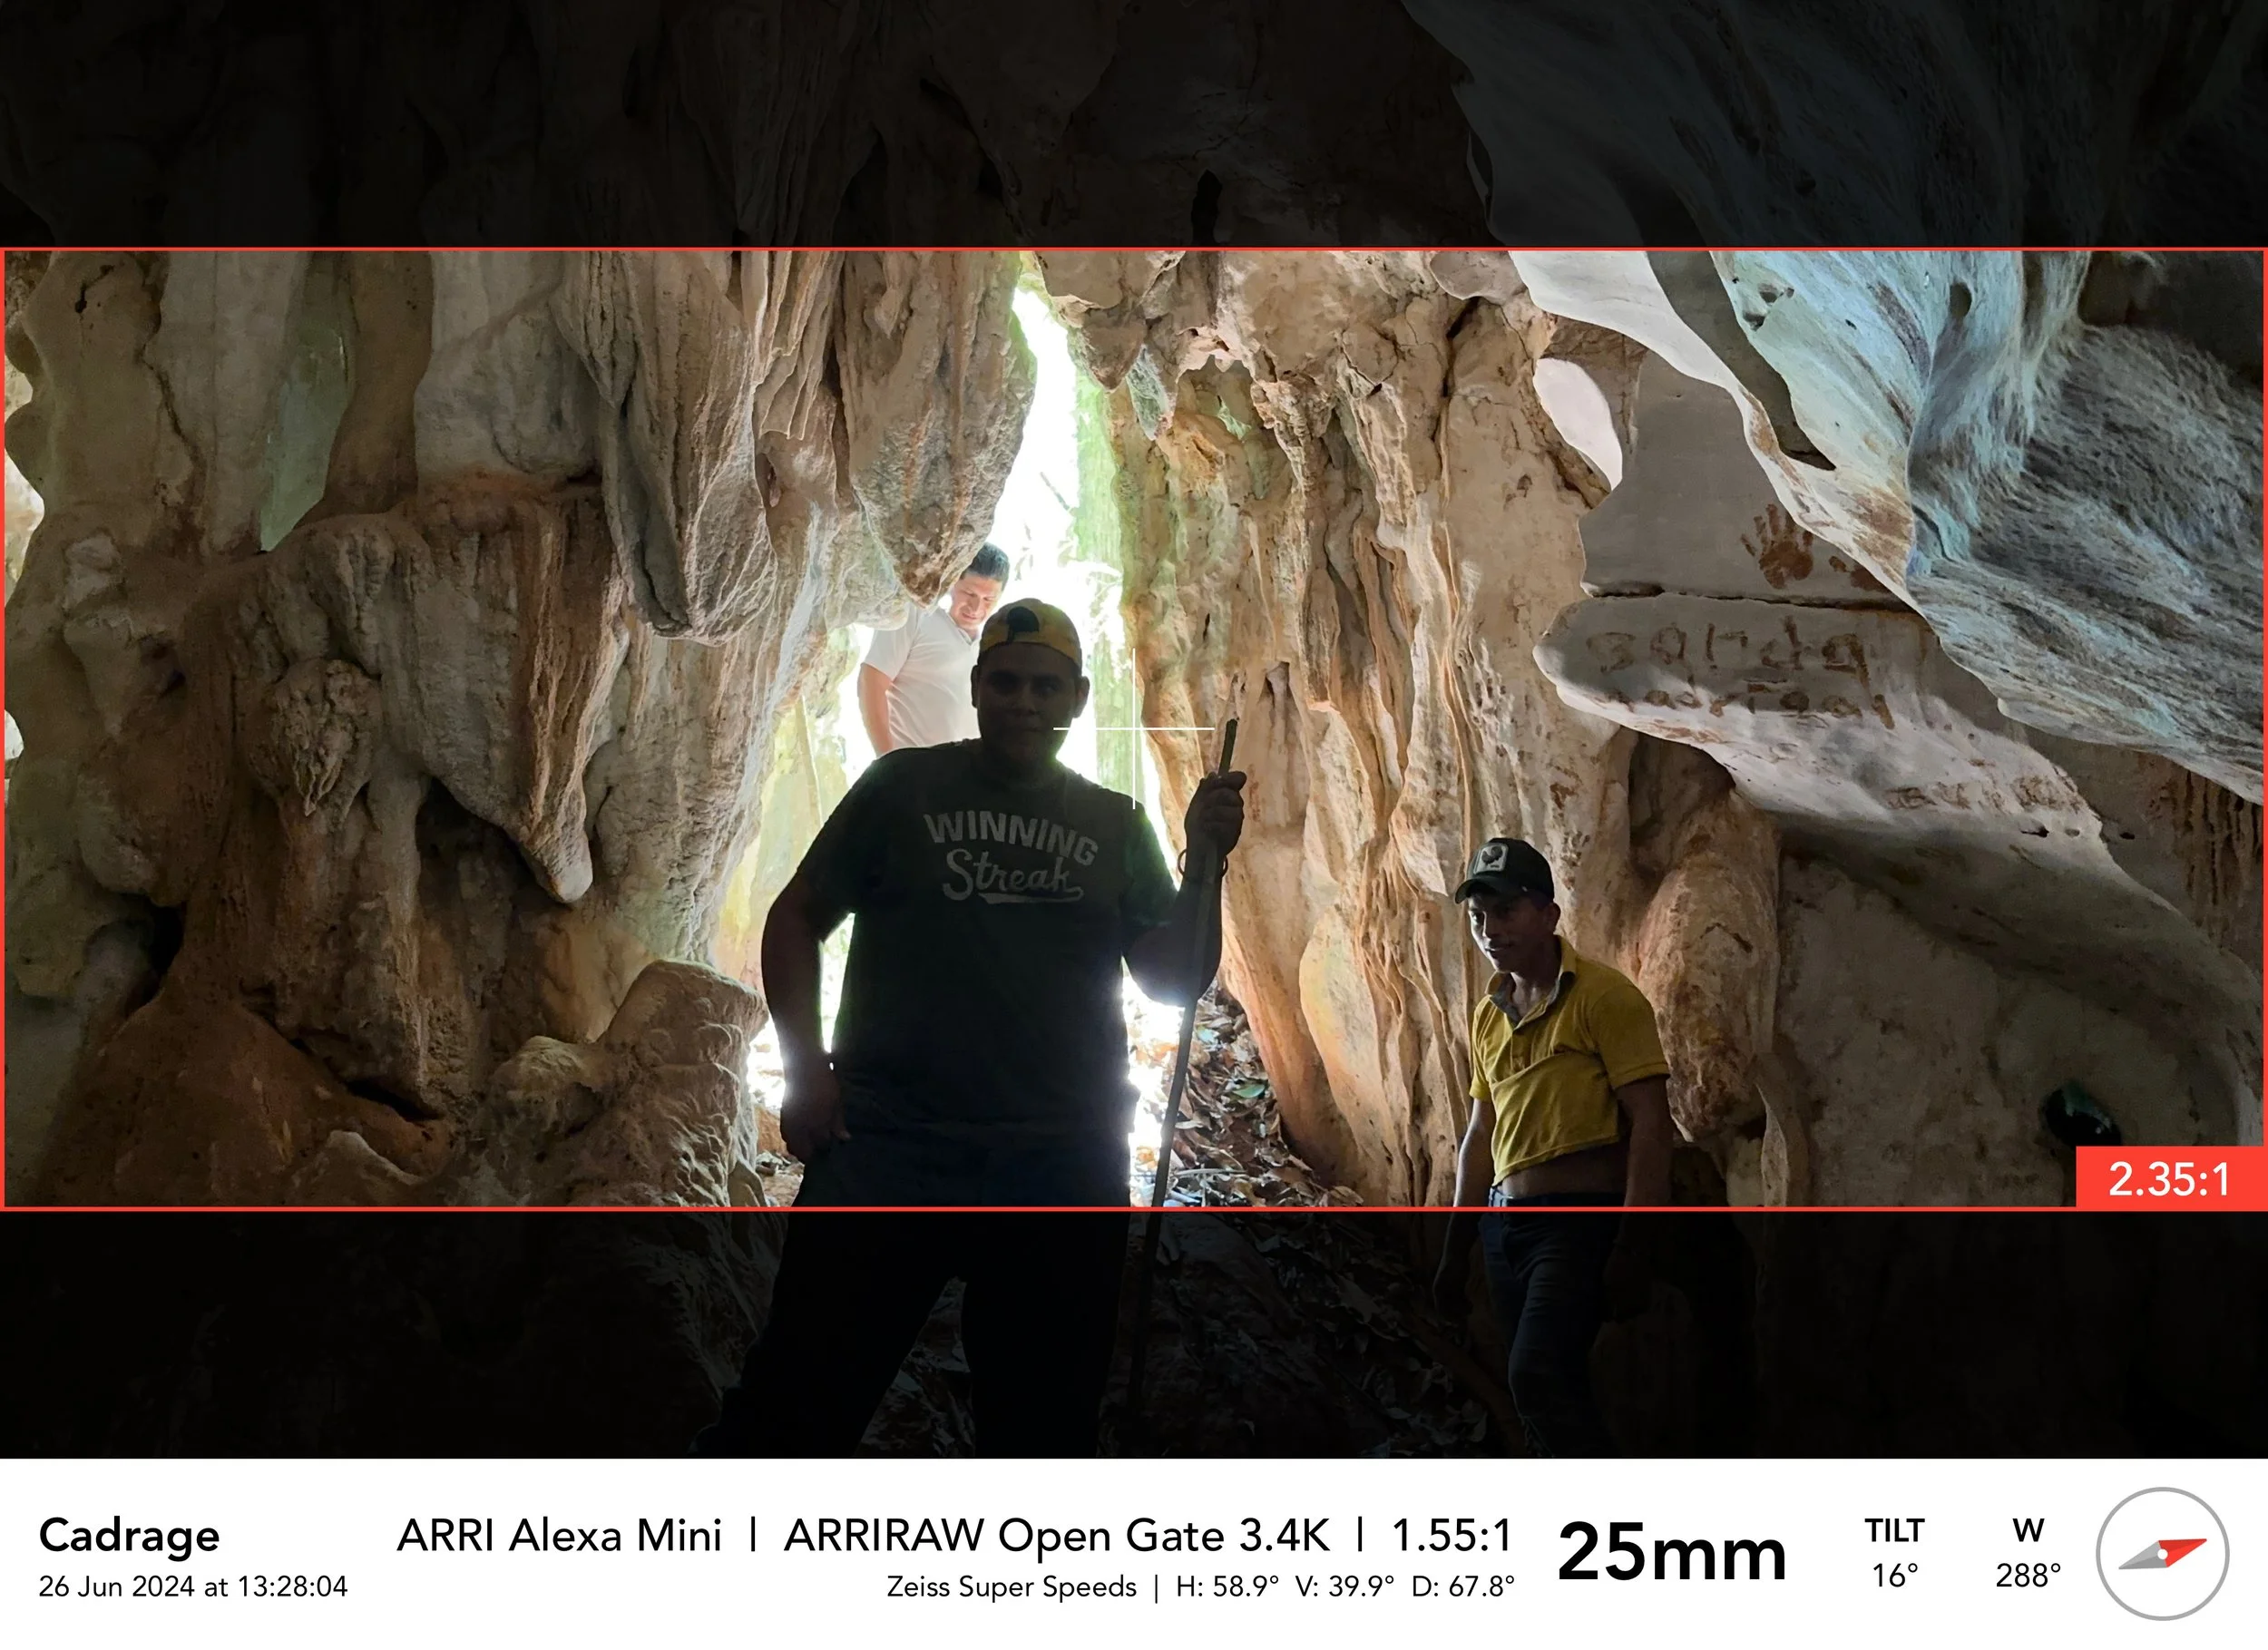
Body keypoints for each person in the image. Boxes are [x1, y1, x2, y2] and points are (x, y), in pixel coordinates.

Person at [694, 598, 1246, 1457]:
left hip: (1059, 1158)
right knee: (794, 1404)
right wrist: (806, 1072)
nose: (1025, 701)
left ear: (1077, 698)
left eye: (1046, 686)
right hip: (889, 1143)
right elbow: (796, 917)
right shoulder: (901, 790)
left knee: (1042, 1430)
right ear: (978, 687)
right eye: (1007, 682)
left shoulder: (1115, 825)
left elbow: (1174, 979)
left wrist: (1203, 866)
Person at [1430, 836, 1675, 1458]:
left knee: (1535, 1375)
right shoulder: (1489, 1016)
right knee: (1545, 1390)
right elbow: (1481, 1134)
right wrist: (1456, 1249)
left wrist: (1635, 1242)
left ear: (1548, 914)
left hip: (1576, 1225)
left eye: (1506, 911)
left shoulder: (1604, 997)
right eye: (1478, 916)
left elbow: (1652, 1123)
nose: (1490, 930)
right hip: (1504, 1228)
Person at [856, 544, 1008, 754]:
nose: (976, 608)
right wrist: (886, 760)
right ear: (951, 582)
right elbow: (871, 680)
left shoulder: (994, 649)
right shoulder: (915, 614)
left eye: (988, 599)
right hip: (911, 767)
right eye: (969, 593)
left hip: (968, 772)